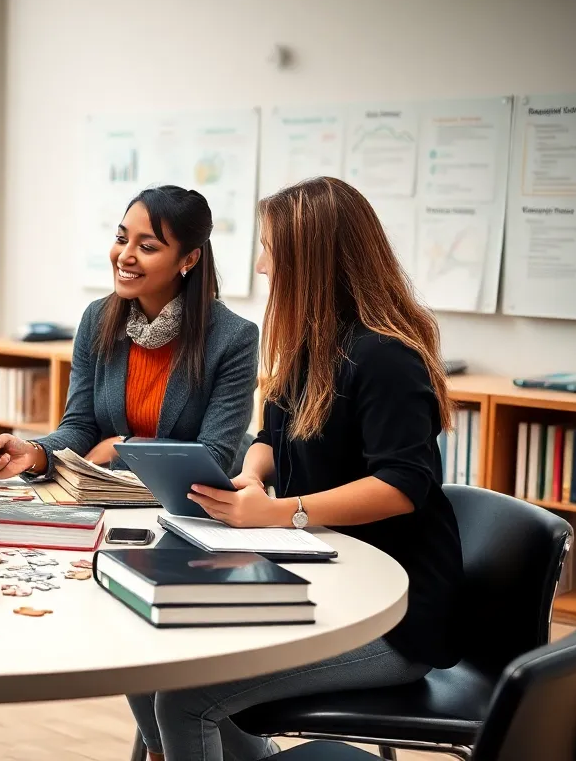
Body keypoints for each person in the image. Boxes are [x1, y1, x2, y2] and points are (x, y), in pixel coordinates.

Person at [129, 176, 464, 761]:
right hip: (326, 582)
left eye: (269, 250)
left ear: (311, 259)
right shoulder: (312, 346)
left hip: (392, 619)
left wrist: (283, 512)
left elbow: (402, 485)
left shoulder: (387, 359)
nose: (261, 267)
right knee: (157, 657)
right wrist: (254, 477)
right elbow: (270, 437)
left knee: (185, 698)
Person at [0, 185, 258, 481]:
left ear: (188, 260)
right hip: (109, 494)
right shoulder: (97, 319)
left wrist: (122, 449)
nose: (124, 256)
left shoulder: (234, 338)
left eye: (147, 247)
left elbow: (214, 457)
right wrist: (33, 453)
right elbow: (80, 427)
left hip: (189, 504)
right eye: (121, 239)